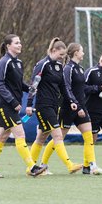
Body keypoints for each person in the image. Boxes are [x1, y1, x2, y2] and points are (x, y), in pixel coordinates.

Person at [38, 43, 102, 175]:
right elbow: (67, 89)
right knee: (58, 139)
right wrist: (75, 105)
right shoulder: (68, 69)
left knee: (89, 137)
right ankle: (43, 165)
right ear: (76, 52)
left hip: (81, 108)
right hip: (68, 108)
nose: (83, 53)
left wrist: (94, 92)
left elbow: (82, 89)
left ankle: (92, 166)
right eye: (82, 51)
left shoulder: (81, 69)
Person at [0, 34, 46, 178]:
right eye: (16, 43)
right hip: (5, 105)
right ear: (8, 46)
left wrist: (30, 88)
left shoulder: (19, 63)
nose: (20, 45)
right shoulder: (4, 62)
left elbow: (18, 84)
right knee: (20, 134)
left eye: (20, 42)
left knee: (2, 137)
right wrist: (13, 102)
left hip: (10, 105)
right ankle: (32, 167)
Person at [26, 38, 82, 174]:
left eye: (64, 55)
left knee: (41, 137)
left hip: (53, 105)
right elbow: (34, 85)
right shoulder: (42, 64)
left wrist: (71, 102)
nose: (62, 57)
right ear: (53, 50)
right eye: (61, 54)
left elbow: (63, 87)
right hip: (43, 105)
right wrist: (29, 104)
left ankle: (30, 168)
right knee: (57, 135)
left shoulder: (58, 67)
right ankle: (69, 165)